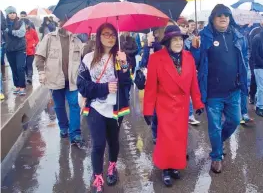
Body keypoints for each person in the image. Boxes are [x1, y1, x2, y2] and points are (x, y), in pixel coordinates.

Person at [144, 25, 204, 187]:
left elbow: (193, 83)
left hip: (182, 106)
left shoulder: (189, 57)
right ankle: (165, 168)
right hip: (165, 106)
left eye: (180, 39)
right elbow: (151, 87)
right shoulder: (156, 58)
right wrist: (148, 110)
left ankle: (175, 166)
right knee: (166, 139)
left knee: (179, 137)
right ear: (168, 42)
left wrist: (197, 102)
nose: (178, 43)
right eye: (175, 40)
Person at [191, 4, 248, 173]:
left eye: (226, 15)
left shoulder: (238, 36)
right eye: (219, 15)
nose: (223, 18)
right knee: (214, 127)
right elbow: (195, 62)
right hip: (213, 93)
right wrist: (195, 48)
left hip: (233, 90)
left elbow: (244, 57)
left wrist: (246, 79)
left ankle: (218, 141)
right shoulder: (204, 37)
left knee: (235, 120)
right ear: (212, 18)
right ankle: (216, 156)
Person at [77, 23, 131, 192]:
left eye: (113, 34)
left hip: (116, 108)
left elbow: (127, 83)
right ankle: (98, 176)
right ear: (99, 37)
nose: (110, 37)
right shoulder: (88, 59)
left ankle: (112, 166)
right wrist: (104, 88)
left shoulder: (121, 57)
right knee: (99, 144)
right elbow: (82, 85)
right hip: (96, 108)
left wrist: (123, 65)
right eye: (106, 34)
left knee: (113, 141)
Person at [35, 19, 88, 147]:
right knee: (59, 106)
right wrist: (41, 72)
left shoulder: (77, 40)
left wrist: (89, 42)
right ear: (59, 23)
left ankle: (75, 134)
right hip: (54, 79)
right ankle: (63, 127)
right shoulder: (49, 38)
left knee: (74, 105)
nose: (64, 24)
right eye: (62, 22)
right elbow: (39, 57)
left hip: (73, 81)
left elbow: (85, 56)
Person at [177, 16, 201, 125]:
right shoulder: (172, 39)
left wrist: (195, 48)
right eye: (182, 25)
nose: (185, 28)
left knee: (188, 93)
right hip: (175, 72)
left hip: (186, 72)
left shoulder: (190, 39)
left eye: (186, 26)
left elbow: (192, 57)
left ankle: (190, 115)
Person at [4, 6, 27, 95]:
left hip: (20, 49)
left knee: (20, 68)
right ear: (7, 14)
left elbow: (21, 33)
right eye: (10, 13)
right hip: (9, 50)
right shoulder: (4, 24)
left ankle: (22, 87)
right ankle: (17, 86)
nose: (12, 14)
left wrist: (11, 31)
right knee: (13, 69)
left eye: (14, 13)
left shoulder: (21, 22)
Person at [247, 17, 263, 104]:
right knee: (254, 77)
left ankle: (260, 97)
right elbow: (251, 45)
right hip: (254, 58)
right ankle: (252, 95)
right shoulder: (254, 31)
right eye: (262, 20)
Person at [22, 19, 39, 84]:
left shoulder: (32, 31)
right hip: (22, 51)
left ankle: (29, 77)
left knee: (29, 64)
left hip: (30, 51)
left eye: (26, 24)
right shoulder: (21, 32)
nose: (25, 26)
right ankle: (26, 76)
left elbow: (37, 39)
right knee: (24, 65)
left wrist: (34, 44)